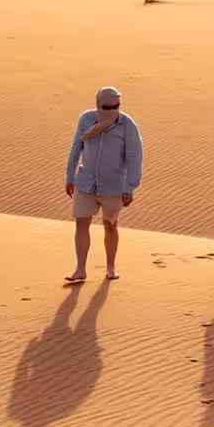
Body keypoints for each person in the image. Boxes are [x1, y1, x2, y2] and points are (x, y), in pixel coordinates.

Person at [64, 85, 143, 284]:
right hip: (86, 183)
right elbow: (76, 147)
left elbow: (135, 158)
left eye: (116, 106)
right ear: (98, 104)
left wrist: (129, 187)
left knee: (110, 225)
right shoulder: (86, 119)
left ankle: (110, 268)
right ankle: (80, 269)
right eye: (107, 107)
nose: (111, 111)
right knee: (81, 223)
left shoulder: (127, 125)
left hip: (114, 187)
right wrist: (69, 177)